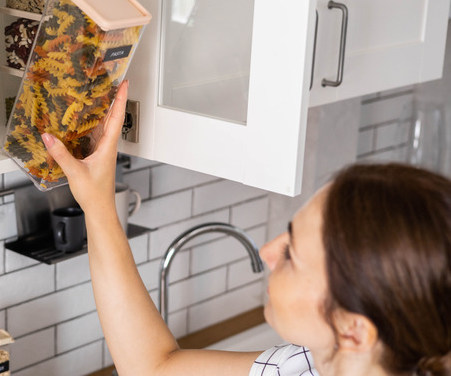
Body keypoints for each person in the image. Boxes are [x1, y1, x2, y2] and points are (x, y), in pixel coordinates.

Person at [40, 80, 451, 376]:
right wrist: (98, 204)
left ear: (353, 330)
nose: (268, 251)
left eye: (291, 255)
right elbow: (153, 367)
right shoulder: (305, 364)